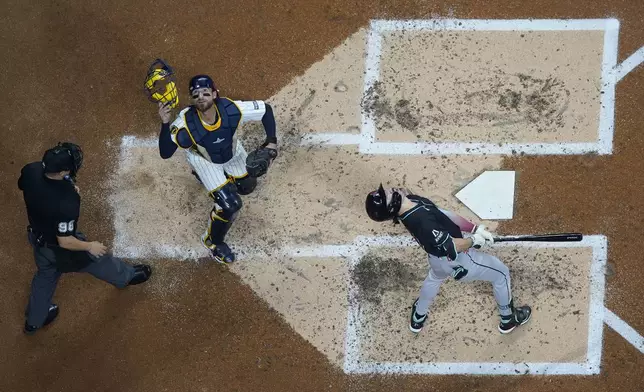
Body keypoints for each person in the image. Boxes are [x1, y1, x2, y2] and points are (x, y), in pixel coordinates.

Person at [18, 142, 152, 335]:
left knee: (45, 277)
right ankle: (127, 276)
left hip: (37, 239)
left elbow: (24, 185)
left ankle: (34, 322)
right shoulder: (67, 201)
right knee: (98, 258)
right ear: (63, 171)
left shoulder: (32, 170)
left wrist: (61, 188)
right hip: (60, 249)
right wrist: (90, 246)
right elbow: (65, 241)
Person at [365, 184, 532, 335]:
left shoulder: (411, 201)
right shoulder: (421, 221)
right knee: (501, 273)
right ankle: (508, 319)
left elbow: (443, 214)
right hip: (459, 260)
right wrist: (474, 241)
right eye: (386, 193)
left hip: (436, 260)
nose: (388, 188)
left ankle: (418, 316)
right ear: (393, 203)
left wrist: (474, 229)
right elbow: (453, 246)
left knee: (435, 277)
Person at [156, 74, 278, 264]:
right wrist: (165, 123)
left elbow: (266, 110)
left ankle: (227, 183)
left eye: (205, 93)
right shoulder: (186, 124)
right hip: (206, 162)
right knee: (231, 205)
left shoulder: (231, 109)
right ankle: (213, 241)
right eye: (195, 95)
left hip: (233, 153)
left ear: (214, 94)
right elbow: (165, 152)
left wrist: (271, 142)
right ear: (192, 99)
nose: (201, 97)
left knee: (247, 187)